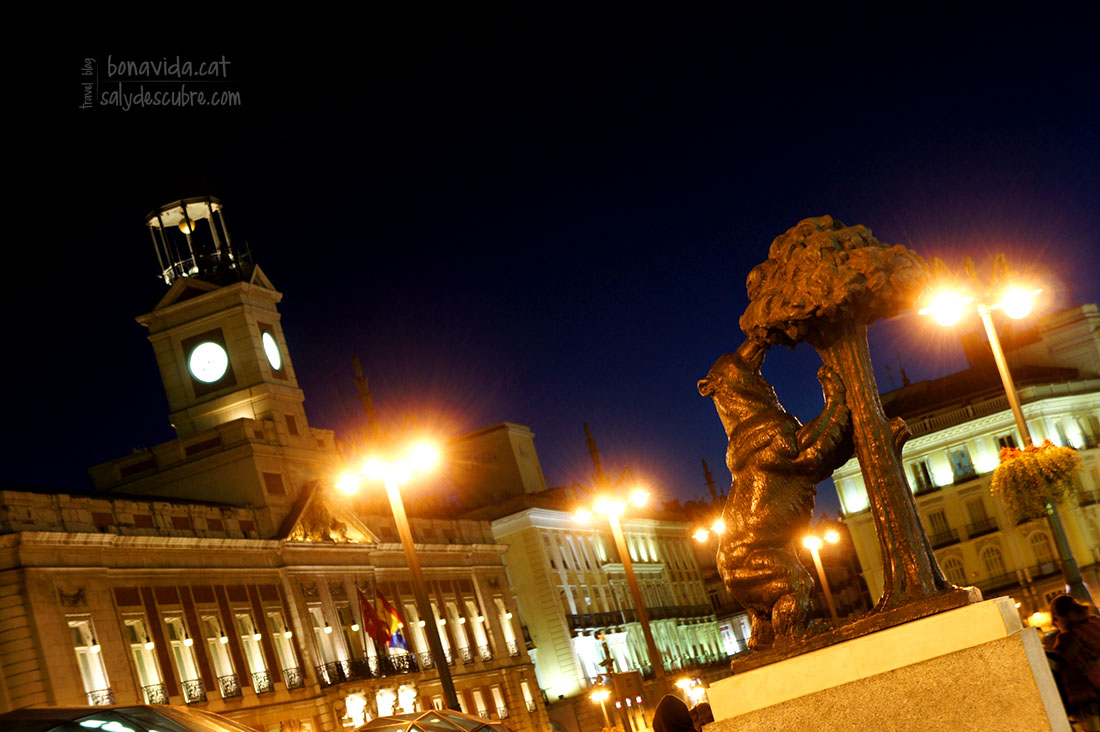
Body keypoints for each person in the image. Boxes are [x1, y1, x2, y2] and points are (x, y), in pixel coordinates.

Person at [1048, 594, 1100, 731]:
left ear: (1059, 618)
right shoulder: (1096, 622)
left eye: (1055, 621)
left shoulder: (1067, 639)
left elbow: (1085, 667)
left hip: (1091, 701)